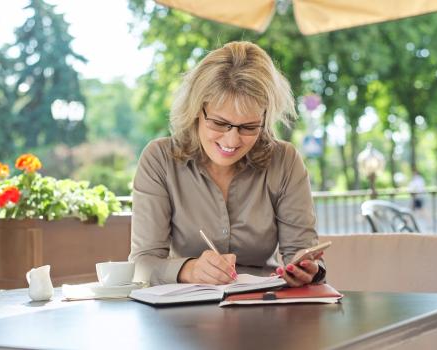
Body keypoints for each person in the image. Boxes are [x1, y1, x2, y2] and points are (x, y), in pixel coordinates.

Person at [129, 41, 326, 287]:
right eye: (220, 123)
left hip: (265, 307)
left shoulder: (285, 161)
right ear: (196, 111)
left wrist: (308, 269)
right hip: (184, 314)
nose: (232, 140)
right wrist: (189, 270)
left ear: (265, 119)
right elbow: (142, 263)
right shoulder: (159, 159)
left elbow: (300, 251)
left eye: (249, 127)